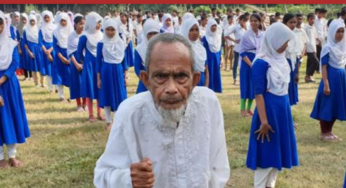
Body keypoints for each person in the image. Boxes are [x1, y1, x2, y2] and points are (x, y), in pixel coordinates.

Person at [93, 33, 230, 188]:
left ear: (195, 80)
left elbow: (219, 170)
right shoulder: (130, 113)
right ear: (146, 80)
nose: (171, 89)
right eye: (160, 76)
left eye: (181, 76)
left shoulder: (208, 104)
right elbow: (102, 175)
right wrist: (129, 179)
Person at [246, 22, 299, 188]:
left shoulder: (282, 60)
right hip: (268, 113)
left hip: (282, 111)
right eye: (284, 41)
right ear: (274, 40)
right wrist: (263, 121)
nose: (286, 45)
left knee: (278, 156)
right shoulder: (260, 63)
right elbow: (258, 94)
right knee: (267, 154)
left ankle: (271, 184)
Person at [0, 11, 30, 168]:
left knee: (11, 117)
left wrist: (2, 80)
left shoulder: (11, 43)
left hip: (9, 85)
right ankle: (0, 159)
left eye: (0, 23)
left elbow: (14, 64)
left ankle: (12, 156)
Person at [310, 20, 346, 142]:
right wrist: (326, 84)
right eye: (338, 31)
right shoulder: (327, 48)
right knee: (327, 105)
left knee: (336, 104)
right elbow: (324, 67)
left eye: (342, 31)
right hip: (330, 79)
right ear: (332, 32)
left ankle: (329, 131)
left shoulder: (343, 47)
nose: (340, 34)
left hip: (340, 79)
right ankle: (323, 132)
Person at [96, 19, 128, 130]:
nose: (110, 32)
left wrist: (126, 76)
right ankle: (109, 121)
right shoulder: (101, 43)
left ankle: (119, 120)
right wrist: (98, 78)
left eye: (112, 29)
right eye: (108, 29)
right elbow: (98, 61)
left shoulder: (120, 42)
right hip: (106, 71)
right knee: (107, 94)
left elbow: (124, 61)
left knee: (120, 95)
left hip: (118, 70)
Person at [78, 12, 104, 122]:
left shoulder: (102, 34)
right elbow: (79, 52)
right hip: (89, 64)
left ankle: (99, 113)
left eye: (100, 22)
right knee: (89, 88)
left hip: (100, 64)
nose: (100, 25)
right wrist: (84, 61)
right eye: (98, 22)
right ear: (92, 23)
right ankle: (91, 114)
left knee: (99, 88)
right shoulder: (85, 35)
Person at [239, 13, 263, 117]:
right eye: (252, 21)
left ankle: (249, 108)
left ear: (260, 22)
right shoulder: (245, 35)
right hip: (247, 62)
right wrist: (251, 64)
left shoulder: (262, 34)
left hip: (257, 61)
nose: (253, 23)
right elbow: (242, 52)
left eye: (256, 21)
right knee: (245, 85)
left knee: (254, 85)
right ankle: (242, 109)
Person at [134, 19, 161, 94]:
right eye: (150, 33)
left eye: (155, 33)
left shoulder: (163, 47)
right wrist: (146, 79)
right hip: (145, 82)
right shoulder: (139, 49)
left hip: (161, 81)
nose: (153, 36)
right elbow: (137, 68)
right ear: (145, 34)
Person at [181, 18, 209, 87]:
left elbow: (206, 71)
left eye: (197, 30)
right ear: (186, 31)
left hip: (201, 84)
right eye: (191, 30)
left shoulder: (202, 49)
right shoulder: (182, 49)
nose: (195, 32)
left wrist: (206, 86)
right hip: (187, 85)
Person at [68, 14, 87, 112]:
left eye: (83, 24)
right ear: (75, 24)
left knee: (85, 83)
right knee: (76, 83)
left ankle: (85, 104)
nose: (82, 26)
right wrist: (76, 64)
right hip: (75, 62)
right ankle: (79, 104)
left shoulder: (86, 35)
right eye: (80, 24)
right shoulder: (71, 36)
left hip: (85, 61)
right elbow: (70, 52)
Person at [53, 12, 73, 102]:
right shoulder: (55, 32)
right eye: (61, 21)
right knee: (59, 75)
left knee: (70, 75)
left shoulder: (71, 32)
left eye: (65, 21)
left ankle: (72, 95)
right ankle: (61, 96)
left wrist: (69, 58)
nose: (63, 23)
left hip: (70, 55)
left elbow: (73, 45)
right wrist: (62, 58)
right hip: (59, 56)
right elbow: (55, 46)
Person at [225, 14, 248, 85]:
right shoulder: (236, 27)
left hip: (246, 49)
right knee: (236, 64)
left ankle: (243, 79)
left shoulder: (247, 27)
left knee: (244, 65)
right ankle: (235, 79)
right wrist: (234, 40)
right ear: (240, 20)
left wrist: (246, 28)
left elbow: (251, 35)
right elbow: (226, 34)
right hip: (238, 49)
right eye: (243, 20)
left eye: (246, 21)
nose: (244, 22)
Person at [283, 13, 300, 107]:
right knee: (285, 87)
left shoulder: (295, 36)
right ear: (285, 23)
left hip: (292, 63)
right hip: (283, 63)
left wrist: (297, 72)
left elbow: (296, 55)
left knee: (292, 86)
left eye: (295, 22)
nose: (293, 24)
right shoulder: (281, 35)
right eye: (291, 22)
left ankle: (289, 110)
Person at [202, 19, 222, 93]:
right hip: (208, 60)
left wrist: (221, 59)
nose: (214, 27)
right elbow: (203, 50)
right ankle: (209, 90)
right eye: (212, 26)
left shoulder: (218, 37)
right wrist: (205, 62)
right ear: (209, 27)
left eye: (215, 25)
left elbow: (220, 48)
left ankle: (215, 89)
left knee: (216, 73)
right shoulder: (205, 38)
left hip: (216, 59)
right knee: (209, 74)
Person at [23, 14, 42, 87]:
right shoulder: (26, 30)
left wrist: (41, 49)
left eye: (33, 21)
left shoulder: (38, 29)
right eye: (31, 21)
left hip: (38, 49)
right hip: (31, 50)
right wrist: (29, 52)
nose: (32, 23)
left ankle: (42, 82)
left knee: (40, 66)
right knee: (34, 67)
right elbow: (25, 42)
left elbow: (40, 40)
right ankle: (36, 83)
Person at [40, 10, 55, 92]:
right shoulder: (41, 28)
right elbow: (40, 41)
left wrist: (50, 50)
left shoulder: (55, 27)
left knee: (55, 68)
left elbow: (57, 40)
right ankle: (50, 88)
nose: (46, 19)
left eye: (48, 17)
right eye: (45, 17)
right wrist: (46, 51)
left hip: (54, 49)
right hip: (45, 51)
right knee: (48, 69)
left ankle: (57, 86)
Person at [304, 13, 319, 83]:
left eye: (313, 19)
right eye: (311, 19)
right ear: (307, 20)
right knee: (315, 62)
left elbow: (314, 38)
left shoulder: (314, 27)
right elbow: (304, 39)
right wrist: (305, 49)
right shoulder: (305, 28)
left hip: (313, 47)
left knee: (309, 62)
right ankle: (308, 75)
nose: (312, 20)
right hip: (308, 48)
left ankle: (308, 78)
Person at [315, 8, 328, 72]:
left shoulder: (324, 20)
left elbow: (324, 30)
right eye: (324, 14)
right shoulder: (314, 19)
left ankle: (318, 68)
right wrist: (317, 38)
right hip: (315, 39)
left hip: (322, 40)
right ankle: (315, 68)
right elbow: (314, 30)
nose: (325, 16)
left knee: (320, 54)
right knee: (315, 54)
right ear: (320, 13)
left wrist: (324, 38)